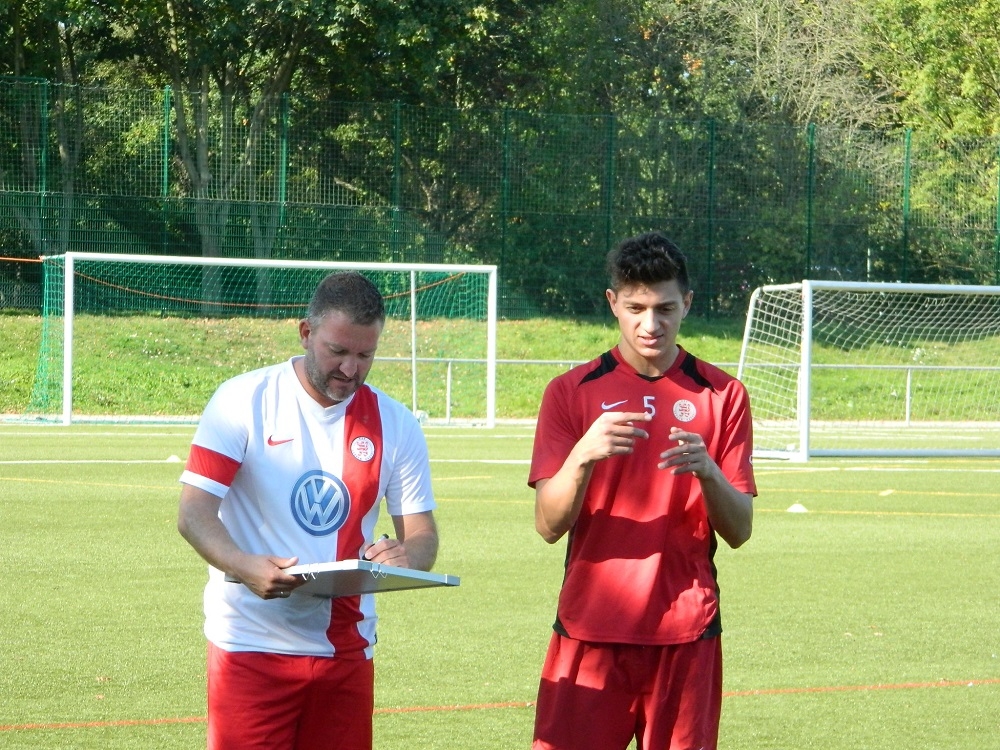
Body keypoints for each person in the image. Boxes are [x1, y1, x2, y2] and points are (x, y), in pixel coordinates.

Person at [177, 271, 439, 750]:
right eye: (338, 351)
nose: (351, 369)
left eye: (365, 356)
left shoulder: (397, 424)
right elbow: (194, 513)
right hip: (250, 645)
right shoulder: (243, 400)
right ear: (305, 332)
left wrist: (407, 559)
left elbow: (422, 536)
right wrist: (242, 564)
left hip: (347, 649)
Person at [528, 232, 756, 750]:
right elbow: (547, 525)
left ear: (687, 303)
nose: (650, 325)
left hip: (685, 630)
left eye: (665, 308)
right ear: (613, 302)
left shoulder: (723, 394)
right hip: (590, 626)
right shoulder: (570, 392)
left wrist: (709, 472)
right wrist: (582, 456)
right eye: (635, 308)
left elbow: (740, 530)